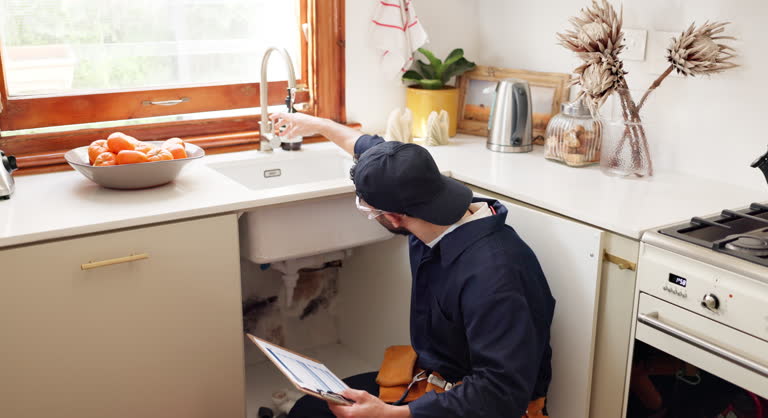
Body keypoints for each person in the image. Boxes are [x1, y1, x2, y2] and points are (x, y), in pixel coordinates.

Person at [269, 112, 556, 418]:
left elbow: (501, 395)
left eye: (368, 210)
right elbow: (372, 150)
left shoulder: (494, 274)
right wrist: (317, 125)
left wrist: (387, 415)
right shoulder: (429, 206)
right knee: (309, 409)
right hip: (439, 383)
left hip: (484, 406)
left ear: (393, 217)